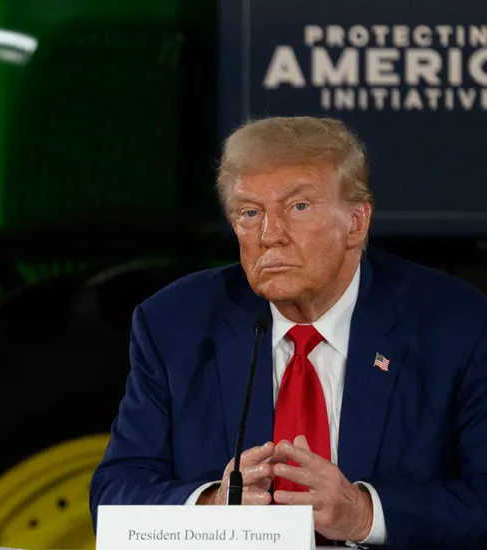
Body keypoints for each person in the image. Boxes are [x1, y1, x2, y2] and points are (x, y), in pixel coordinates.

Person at [89, 116, 487, 549]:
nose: (269, 235)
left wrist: (363, 514)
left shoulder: (456, 325)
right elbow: (115, 496)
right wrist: (211, 509)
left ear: (356, 222)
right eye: (249, 213)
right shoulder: (175, 324)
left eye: (298, 207)